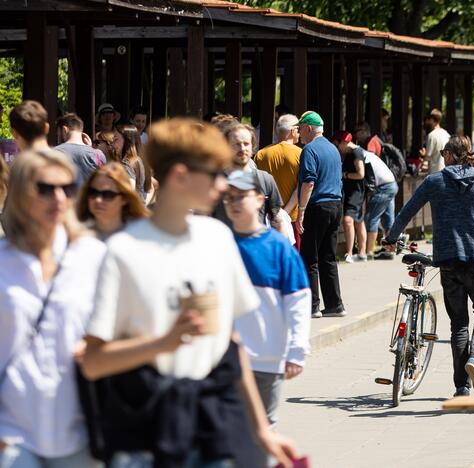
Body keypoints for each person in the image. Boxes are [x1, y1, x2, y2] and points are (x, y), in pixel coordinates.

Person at [79, 118, 299, 467]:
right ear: (180, 176)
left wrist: (261, 429)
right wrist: (163, 343)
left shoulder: (217, 238)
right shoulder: (124, 250)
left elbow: (232, 342)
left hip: (212, 426)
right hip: (146, 435)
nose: (223, 183)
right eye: (214, 173)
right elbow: (93, 362)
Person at [0, 148, 106, 467]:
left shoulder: (92, 256)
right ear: (20, 194)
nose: (58, 198)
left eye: (67, 188)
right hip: (12, 429)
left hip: (80, 426)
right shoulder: (3, 261)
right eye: (45, 188)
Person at [383, 136, 474, 397]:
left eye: (444, 152)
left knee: (458, 323)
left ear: (451, 154)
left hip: (447, 261)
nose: (443, 156)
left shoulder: (435, 181)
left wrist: (390, 238)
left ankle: (461, 386)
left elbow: (407, 211)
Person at [223, 170, 311, 435]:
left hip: (266, 357)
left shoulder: (278, 247)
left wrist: (297, 349)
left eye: (242, 197)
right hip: (224, 359)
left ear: (260, 199)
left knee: (263, 427)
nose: (235, 203)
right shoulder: (219, 244)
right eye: (230, 197)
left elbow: (298, 300)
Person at [295, 111, 346, 319]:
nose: (299, 133)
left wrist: (301, 211)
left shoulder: (309, 150)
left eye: (300, 129)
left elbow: (308, 182)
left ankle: (312, 306)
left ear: (308, 128)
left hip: (317, 206)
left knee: (310, 257)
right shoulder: (333, 149)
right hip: (335, 205)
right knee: (328, 257)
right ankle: (335, 305)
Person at [213, 124, 284, 230]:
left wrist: (282, 245)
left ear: (252, 146)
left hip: (256, 244)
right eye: (236, 144)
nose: (242, 148)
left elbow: (277, 220)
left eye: (246, 144)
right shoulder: (214, 182)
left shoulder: (265, 179)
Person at [255, 114, 302, 247]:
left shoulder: (261, 154)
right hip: (292, 217)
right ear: (293, 132)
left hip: (267, 216)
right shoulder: (300, 153)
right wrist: (285, 213)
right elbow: (302, 186)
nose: (299, 133)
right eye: (298, 129)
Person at [76, 162, 150, 240]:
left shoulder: (140, 237)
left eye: (108, 194)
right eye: (93, 192)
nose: (98, 200)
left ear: (124, 198)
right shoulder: (77, 237)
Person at [332, 131, 367, 262]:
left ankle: (350, 253)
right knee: (358, 221)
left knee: (348, 220)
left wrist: (345, 175)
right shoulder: (349, 153)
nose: (337, 147)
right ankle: (362, 252)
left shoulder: (356, 153)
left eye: (337, 144)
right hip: (353, 191)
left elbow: (361, 174)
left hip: (356, 192)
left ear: (344, 142)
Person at [362, 140, 399, 258]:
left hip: (384, 187)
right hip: (392, 184)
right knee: (388, 219)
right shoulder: (368, 155)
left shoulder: (360, 157)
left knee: (371, 218)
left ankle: (369, 252)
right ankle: (389, 250)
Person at [54, 112, 104, 187]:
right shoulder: (98, 155)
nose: (58, 136)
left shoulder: (55, 153)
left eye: (58, 133)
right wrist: (90, 148)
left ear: (65, 130)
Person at [119, 125, 150, 203]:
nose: (112, 143)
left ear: (126, 141)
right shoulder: (140, 159)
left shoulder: (127, 163)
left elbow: (130, 191)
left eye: (116, 139)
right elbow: (153, 185)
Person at [419, 109, 451, 174]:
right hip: (447, 171)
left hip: (435, 173)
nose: (427, 121)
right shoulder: (447, 134)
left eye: (429, 119)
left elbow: (428, 156)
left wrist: (423, 154)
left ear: (432, 120)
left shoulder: (431, 135)